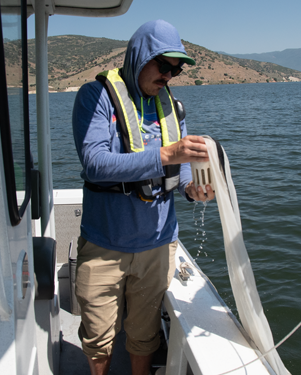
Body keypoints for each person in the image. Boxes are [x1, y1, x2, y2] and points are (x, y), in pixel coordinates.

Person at [72, 19, 215, 375]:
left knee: (144, 335)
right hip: (105, 244)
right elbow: (95, 164)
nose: (169, 75)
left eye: (176, 70)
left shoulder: (173, 107)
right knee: (98, 338)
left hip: (158, 245)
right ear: (140, 56)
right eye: (163, 65)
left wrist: (191, 189)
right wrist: (167, 154)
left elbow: (180, 170)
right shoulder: (96, 97)